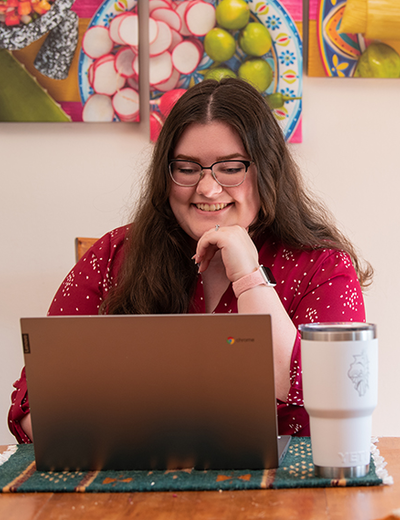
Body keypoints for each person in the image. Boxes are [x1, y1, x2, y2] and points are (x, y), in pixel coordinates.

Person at [8, 78, 372, 444]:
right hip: (134, 489)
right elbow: (33, 408)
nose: (208, 189)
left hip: (287, 495)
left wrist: (249, 277)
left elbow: (332, 399)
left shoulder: (323, 266)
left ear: (267, 170)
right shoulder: (113, 255)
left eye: (231, 168)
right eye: (187, 168)